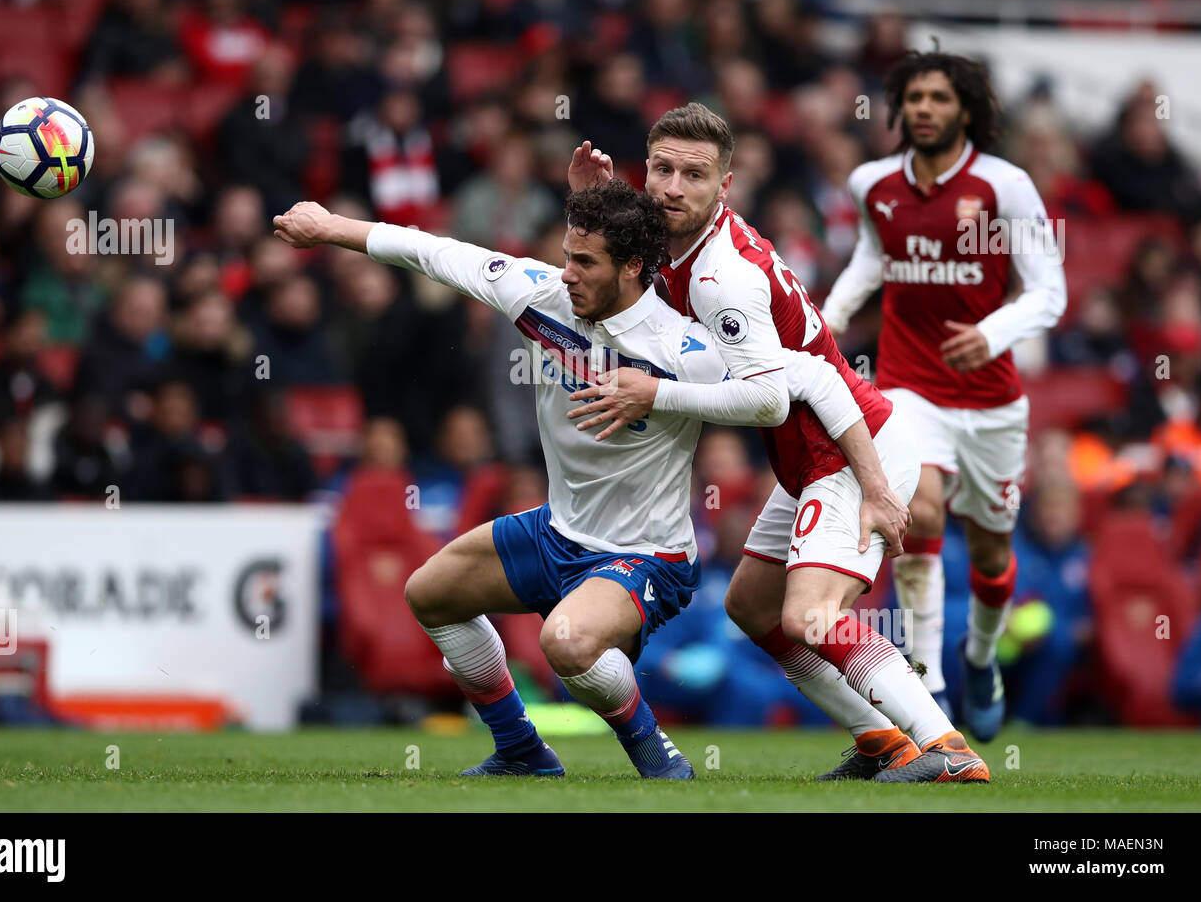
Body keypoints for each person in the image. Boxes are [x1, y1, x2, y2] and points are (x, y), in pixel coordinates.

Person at [273, 180, 869, 779]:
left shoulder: (688, 348)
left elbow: (782, 390)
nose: (567, 274)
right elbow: (435, 252)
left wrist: (870, 478)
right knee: (430, 593)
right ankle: (521, 750)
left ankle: (656, 757)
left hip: (646, 554)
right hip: (557, 531)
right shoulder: (541, 297)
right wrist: (329, 228)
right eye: (565, 256)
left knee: (567, 643)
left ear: (633, 266)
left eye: (584, 262)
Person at [567, 104, 988, 782]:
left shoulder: (720, 277)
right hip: (812, 458)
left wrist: (656, 393)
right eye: (663, 169)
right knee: (752, 606)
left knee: (812, 614)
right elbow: (601, 274)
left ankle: (948, 746)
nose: (674, 186)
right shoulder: (676, 246)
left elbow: (768, 397)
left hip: (852, 449)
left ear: (724, 187)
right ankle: (881, 738)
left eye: (694, 175)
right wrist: (592, 198)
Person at [821, 51, 1067, 741]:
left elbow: (1050, 290)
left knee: (992, 551)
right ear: (900, 110)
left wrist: (992, 332)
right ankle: (927, 674)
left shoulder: (1003, 185)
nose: (925, 108)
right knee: (918, 506)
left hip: (990, 399)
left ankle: (980, 656)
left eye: (939, 97)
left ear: (966, 109)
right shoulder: (873, 183)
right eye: (914, 97)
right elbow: (876, 254)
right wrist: (831, 318)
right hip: (908, 381)